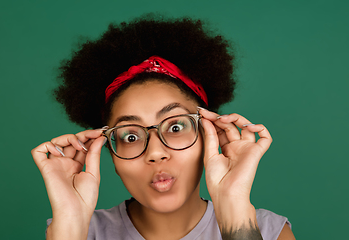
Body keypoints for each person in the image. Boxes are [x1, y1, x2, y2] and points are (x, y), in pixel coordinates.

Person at [32, 14, 295, 240]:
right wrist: (69, 222)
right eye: (131, 135)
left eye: (176, 127)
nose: (156, 153)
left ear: (209, 133)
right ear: (109, 154)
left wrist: (235, 213)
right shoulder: (75, 232)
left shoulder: (269, 232)